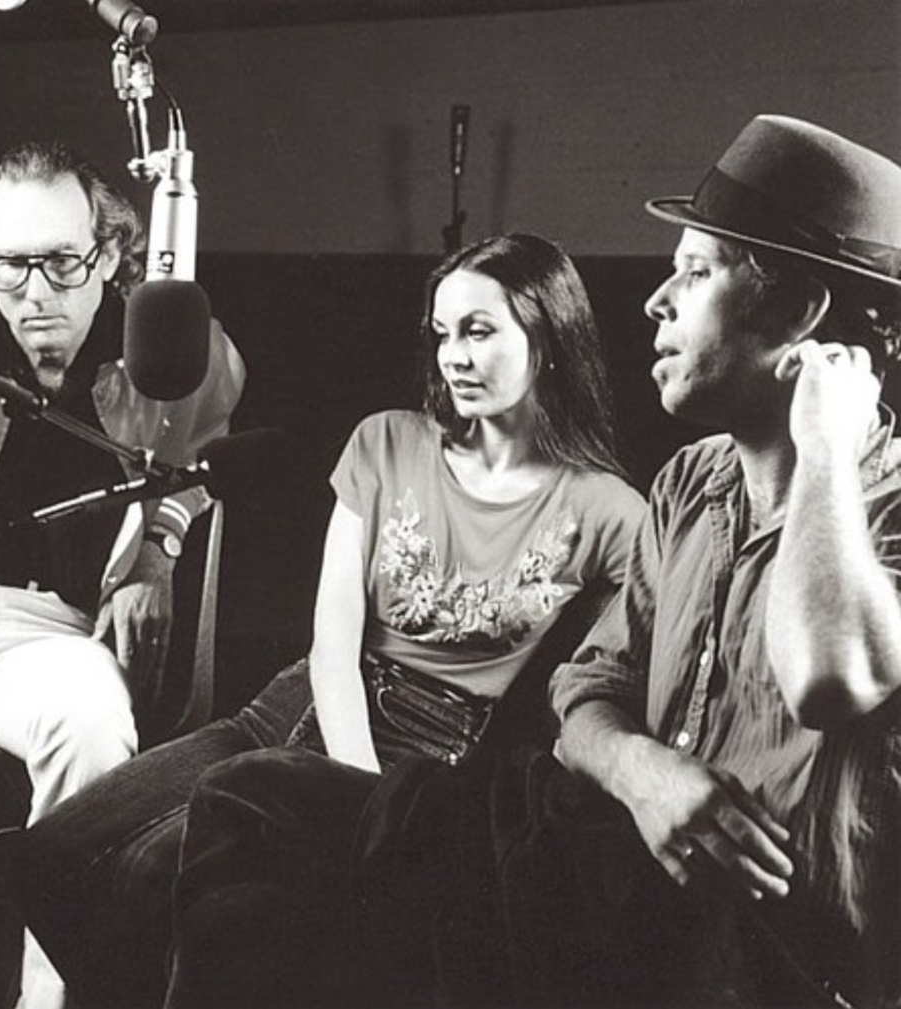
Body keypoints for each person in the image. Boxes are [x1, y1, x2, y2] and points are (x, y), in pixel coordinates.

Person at [334, 114, 901, 1009]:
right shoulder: (687, 486)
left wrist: (826, 445)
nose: (655, 300)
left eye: (696, 271)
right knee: (254, 827)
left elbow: (831, 678)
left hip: (784, 971)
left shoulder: (883, 501)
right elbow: (583, 691)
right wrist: (646, 772)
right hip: (630, 920)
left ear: (797, 312)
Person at [22, 232, 646, 1007]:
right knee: (54, 855)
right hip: (291, 707)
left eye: (479, 331)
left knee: (165, 880)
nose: (454, 355)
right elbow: (333, 643)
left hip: (429, 753)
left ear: (548, 337)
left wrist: (371, 810)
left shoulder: (613, 513)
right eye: (443, 332)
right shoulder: (385, 440)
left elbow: (640, 661)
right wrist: (349, 788)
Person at [0, 140, 245, 1006]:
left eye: (62, 261)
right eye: (13, 266)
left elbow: (199, 468)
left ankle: (59, 991)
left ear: (112, 254)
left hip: (43, 631)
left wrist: (157, 555)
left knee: (93, 720)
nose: (38, 292)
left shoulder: (166, 350)